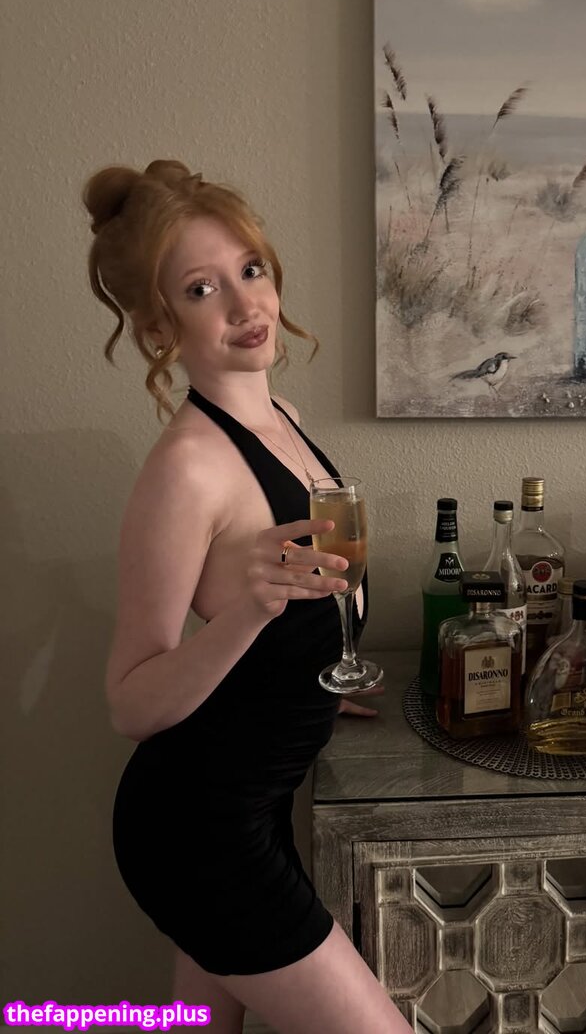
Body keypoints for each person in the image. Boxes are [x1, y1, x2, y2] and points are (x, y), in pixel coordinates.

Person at [84, 160, 411, 1034]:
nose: (243, 304)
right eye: (202, 288)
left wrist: (312, 685)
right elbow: (129, 702)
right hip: (197, 829)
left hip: (252, 804)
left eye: (250, 269)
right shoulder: (187, 469)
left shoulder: (285, 418)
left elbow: (304, 612)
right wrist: (250, 611)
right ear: (161, 325)